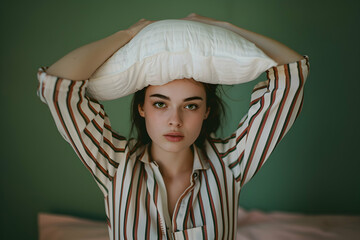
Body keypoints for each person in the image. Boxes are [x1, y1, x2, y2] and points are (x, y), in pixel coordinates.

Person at [37, 13, 309, 239]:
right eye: (160, 104)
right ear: (141, 107)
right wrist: (130, 34)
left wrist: (223, 28)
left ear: (206, 111)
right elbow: (57, 86)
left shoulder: (230, 163)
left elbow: (292, 75)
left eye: (190, 105)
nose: (175, 120)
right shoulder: (115, 164)